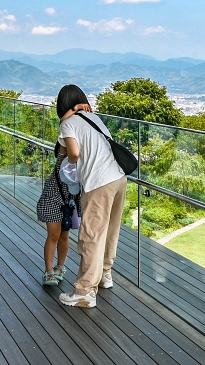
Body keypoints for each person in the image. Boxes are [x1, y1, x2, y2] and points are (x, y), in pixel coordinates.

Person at [56, 85, 127, 309]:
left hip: (98, 183)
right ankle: (105, 274)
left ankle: (85, 291)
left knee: (91, 236)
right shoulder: (93, 117)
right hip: (119, 178)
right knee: (110, 231)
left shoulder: (68, 124)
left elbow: (72, 153)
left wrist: (73, 159)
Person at [37, 135, 80, 286]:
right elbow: (64, 135)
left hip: (68, 203)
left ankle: (60, 267)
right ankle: (49, 271)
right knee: (54, 234)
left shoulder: (81, 165)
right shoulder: (63, 162)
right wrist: (77, 110)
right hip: (52, 199)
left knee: (64, 235)